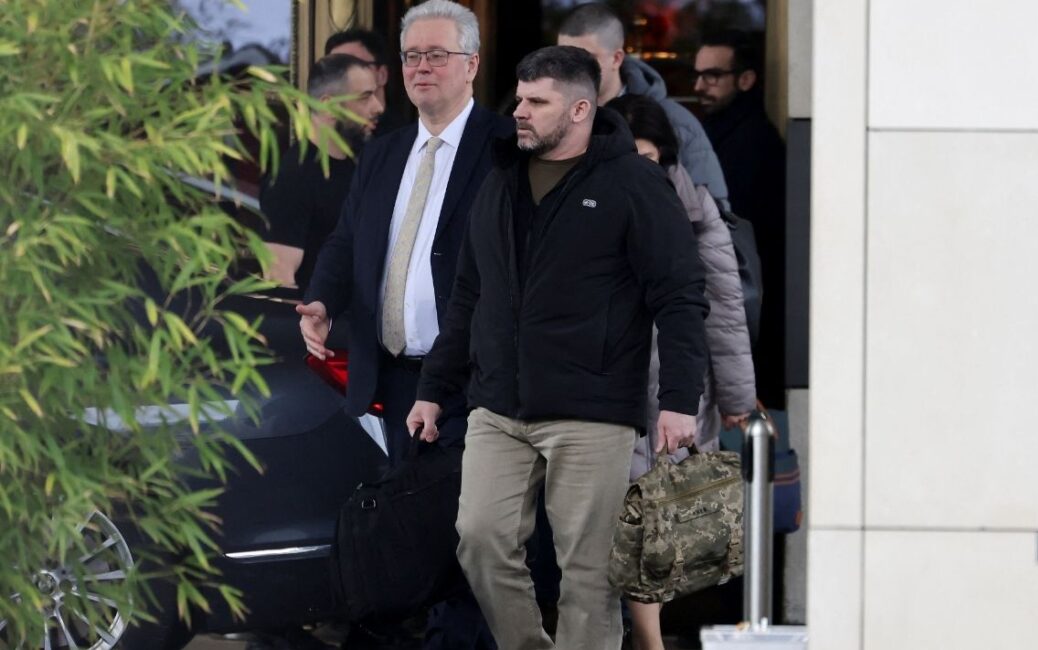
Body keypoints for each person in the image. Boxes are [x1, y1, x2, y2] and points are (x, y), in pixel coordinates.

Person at [405, 46, 711, 650]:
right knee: (480, 541)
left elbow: (680, 295)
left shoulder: (634, 185)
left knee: (590, 573)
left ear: (578, 109)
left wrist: (679, 398)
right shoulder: (500, 180)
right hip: (498, 405)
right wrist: (434, 390)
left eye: (536, 101)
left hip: (591, 408)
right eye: (519, 98)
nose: (519, 110)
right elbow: (469, 295)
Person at [298, 1, 513, 647]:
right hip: (391, 375)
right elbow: (346, 241)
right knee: (405, 533)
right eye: (412, 56)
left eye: (437, 54)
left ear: (471, 64)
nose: (421, 67)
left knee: (471, 537)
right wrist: (322, 301)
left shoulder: (505, 147)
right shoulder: (386, 152)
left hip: (474, 380)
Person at [607, 93, 757, 650]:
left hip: (677, 382)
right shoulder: (592, 202)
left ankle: (646, 636)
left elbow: (724, 308)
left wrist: (739, 396)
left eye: (650, 157)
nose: (640, 168)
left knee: (658, 515)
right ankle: (642, 636)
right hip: (610, 385)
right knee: (618, 518)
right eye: (630, 155)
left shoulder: (694, 205)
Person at [556, 3, 729, 209]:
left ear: (617, 58)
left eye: (587, 60)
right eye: (564, 59)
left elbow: (713, 215)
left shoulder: (675, 121)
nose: (573, 71)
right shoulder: (545, 114)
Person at [694, 30, 787, 403]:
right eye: (697, 74)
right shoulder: (715, 135)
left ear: (746, 80)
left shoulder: (750, 143)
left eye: (712, 76)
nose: (700, 85)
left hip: (748, 308)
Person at [259, 53, 383, 292]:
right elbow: (278, 280)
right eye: (365, 97)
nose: (377, 107)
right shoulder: (291, 178)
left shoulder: (361, 168)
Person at [325, 29, 403, 136]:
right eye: (334, 69)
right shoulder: (325, 138)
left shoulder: (406, 140)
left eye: (354, 65)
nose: (342, 76)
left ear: (382, 75)